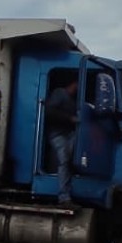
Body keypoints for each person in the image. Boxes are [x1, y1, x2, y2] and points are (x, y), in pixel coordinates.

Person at [45, 73, 79, 206]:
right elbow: (49, 111)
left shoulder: (72, 100)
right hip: (57, 134)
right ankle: (64, 197)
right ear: (73, 83)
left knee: (73, 159)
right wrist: (69, 118)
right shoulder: (60, 93)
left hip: (69, 134)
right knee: (64, 160)